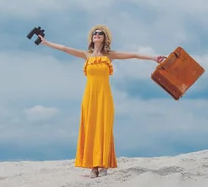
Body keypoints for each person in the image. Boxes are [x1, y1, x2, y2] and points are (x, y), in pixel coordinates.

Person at [38, 24, 166, 178]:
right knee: (91, 129)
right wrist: (46, 42)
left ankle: (103, 164)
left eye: (100, 33)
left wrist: (153, 57)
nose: (96, 34)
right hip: (89, 97)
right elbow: (65, 48)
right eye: (94, 33)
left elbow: (133, 55)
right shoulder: (86, 55)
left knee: (103, 129)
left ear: (105, 38)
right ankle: (94, 166)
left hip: (104, 97)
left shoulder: (109, 56)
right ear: (92, 38)